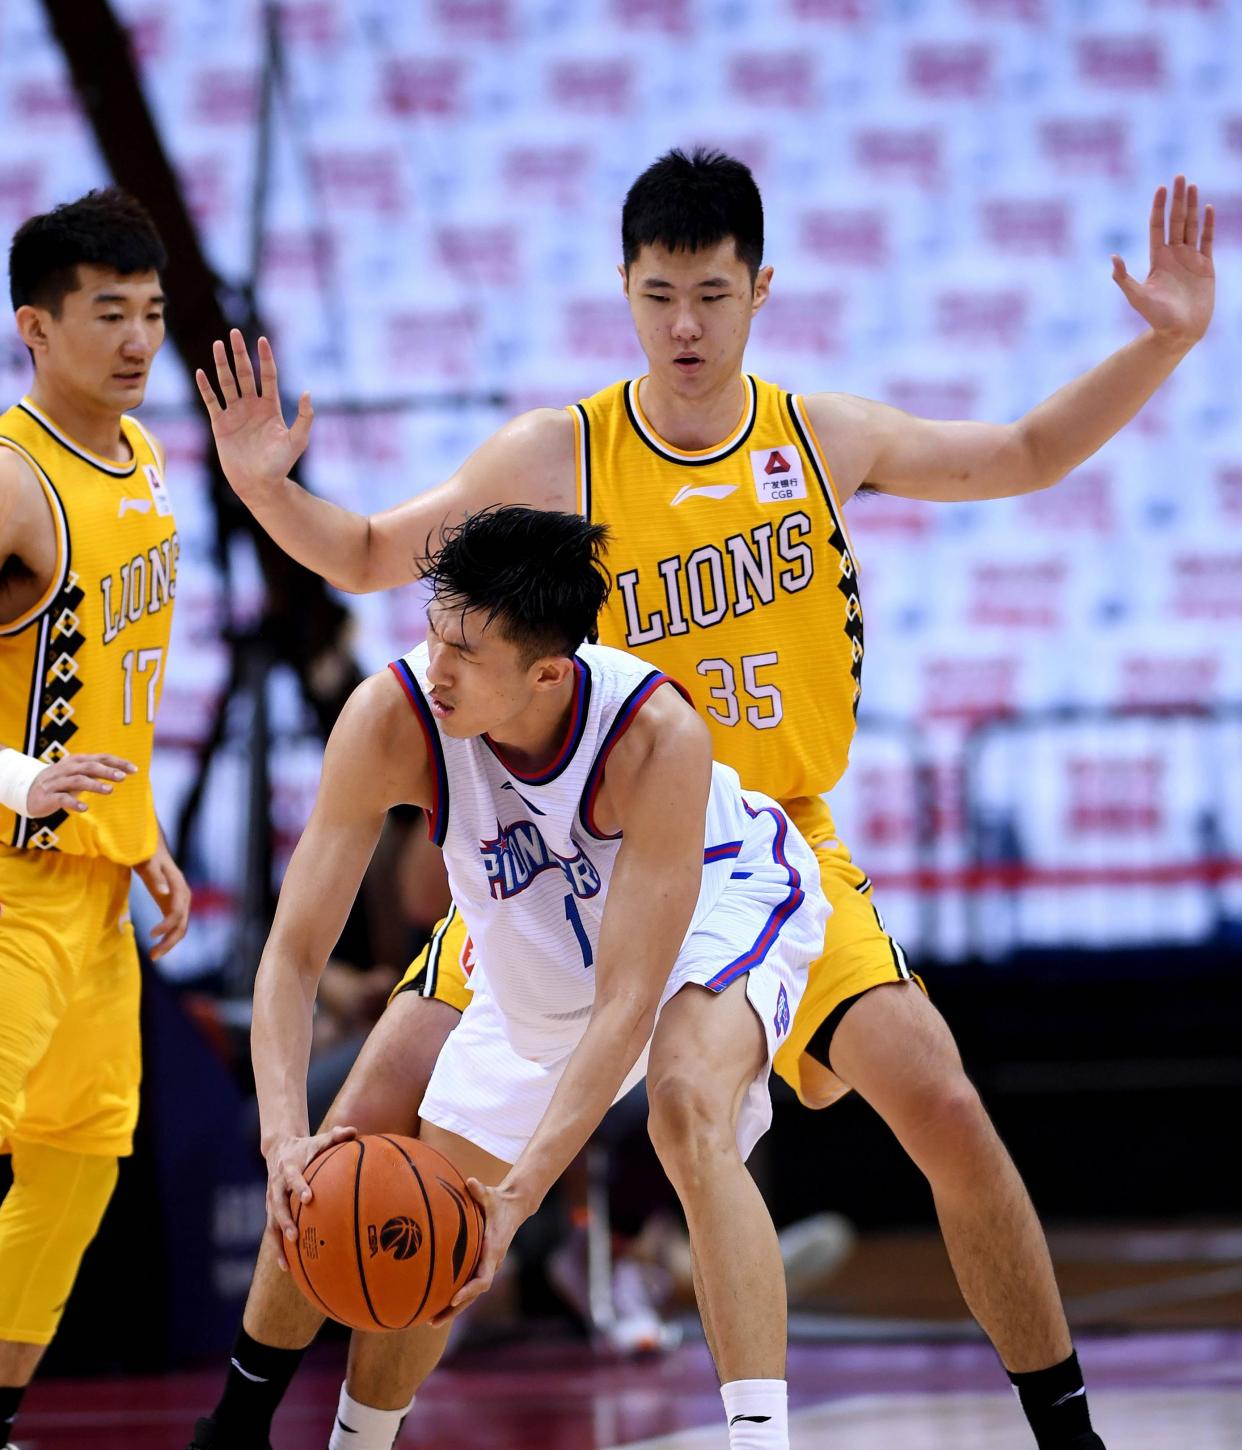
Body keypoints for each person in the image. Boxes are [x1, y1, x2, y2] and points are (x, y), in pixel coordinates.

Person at [192, 150, 1214, 1450]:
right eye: (659, 294)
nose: (684, 325)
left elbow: (1024, 450)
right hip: (571, 836)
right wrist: (268, 490)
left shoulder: (819, 437)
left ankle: (1065, 1429)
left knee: (941, 1102)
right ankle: (247, 1419)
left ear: (759, 290)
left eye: (712, 295)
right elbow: (368, 553)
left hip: (764, 841)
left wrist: (1163, 344)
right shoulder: (557, 453)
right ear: (623, 288)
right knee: (374, 1114)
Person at [209, 504, 827, 1450]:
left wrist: (524, 1194)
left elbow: (627, 1006)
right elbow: (292, 956)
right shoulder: (392, 717)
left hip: (711, 908)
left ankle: (759, 1439)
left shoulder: (656, 737)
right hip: (536, 945)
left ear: (548, 672)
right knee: (412, 1195)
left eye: (466, 652)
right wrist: (284, 1139)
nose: (437, 666)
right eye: (434, 633)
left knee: (683, 1107)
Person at [0, 189, 191, 1447]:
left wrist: (142, 831)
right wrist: (18, 781)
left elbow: (103, 680)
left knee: (77, 1157)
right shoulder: (14, 481)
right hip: (9, 872)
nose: (138, 341)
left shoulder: (145, 456)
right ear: (37, 327)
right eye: (109, 313)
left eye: (153, 314)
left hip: (98, 882)